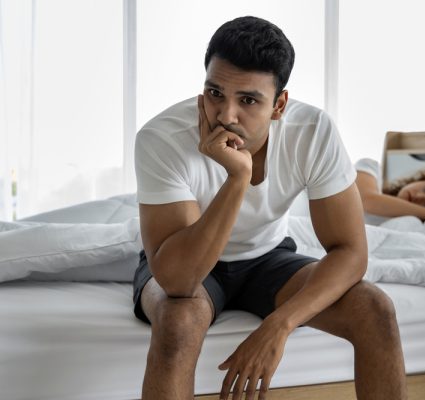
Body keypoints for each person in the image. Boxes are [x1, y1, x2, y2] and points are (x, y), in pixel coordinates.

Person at [133, 16, 407, 400]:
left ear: (279, 105)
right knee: (178, 322)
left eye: (248, 100)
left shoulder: (312, 132)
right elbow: (178, 281)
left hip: (266, 258)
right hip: (186, 260)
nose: (226, 115)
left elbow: (351, 252)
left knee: (375, 309)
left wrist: (280, 325)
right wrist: (237, 179)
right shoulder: (161, 139)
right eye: (215, 93)